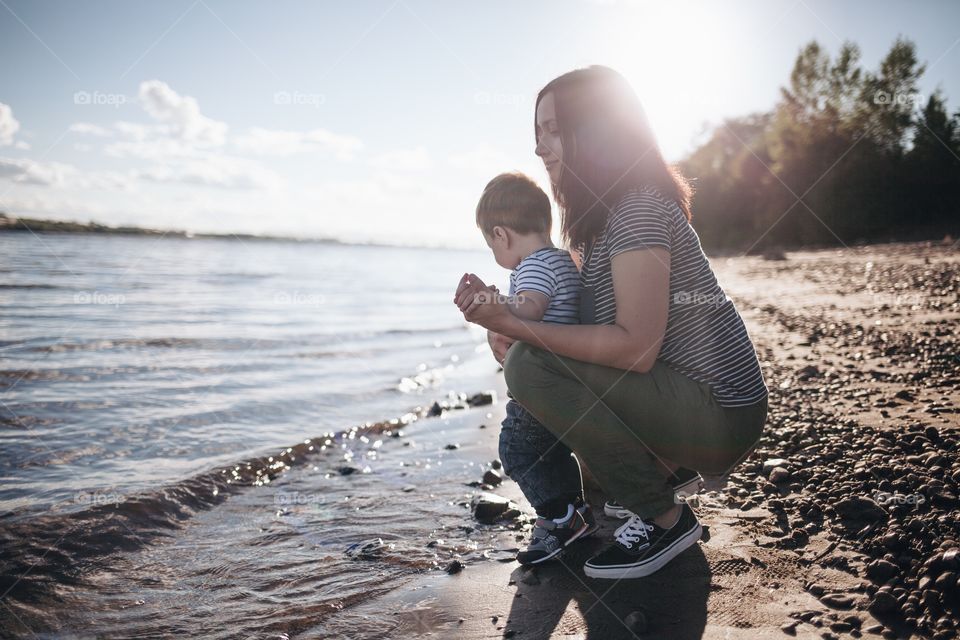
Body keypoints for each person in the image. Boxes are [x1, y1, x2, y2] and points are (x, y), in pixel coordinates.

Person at [455, 66, 768, 580]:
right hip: (682, 400)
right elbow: (576, 331)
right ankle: (662, 471)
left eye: (553, 130)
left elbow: (635, 349)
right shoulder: (596, 227)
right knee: (536, 366)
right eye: (537, 134)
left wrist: (525, 337)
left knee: (532, 368)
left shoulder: (637, 210)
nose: (540, 148)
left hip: (722, 412)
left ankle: (665, 518)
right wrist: (508, 322)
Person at [474, 171, 596, 565]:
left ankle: (561, 518)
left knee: (518, 450)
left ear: (501, 235)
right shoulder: (562, 261)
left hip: (543, 386)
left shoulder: (532, 267)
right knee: (552, 450)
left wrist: (495, 308)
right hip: (568, 382)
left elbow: (531, 309)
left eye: (489, 243)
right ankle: (573, 511)